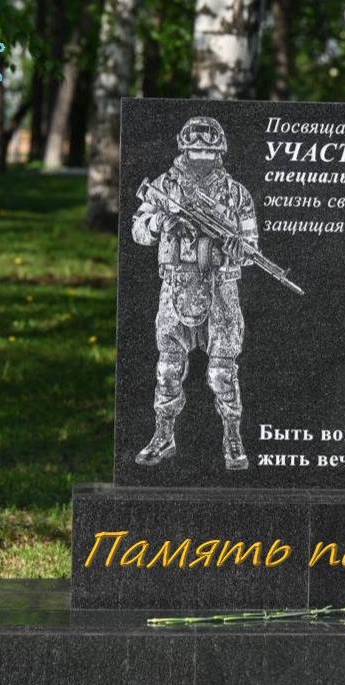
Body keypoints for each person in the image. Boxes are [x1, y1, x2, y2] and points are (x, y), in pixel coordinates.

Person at [129, 116, 257, 471]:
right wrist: (160, 222)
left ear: (219, 153)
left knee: (222, 374)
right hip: (175, 286)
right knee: (168, 368)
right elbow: (139, 230)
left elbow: (251, 249)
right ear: (184, 150)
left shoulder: (236, 194)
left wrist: (237, 249)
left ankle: (232, 437)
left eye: (208, 152)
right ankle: (163, 435)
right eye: (194, 151)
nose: (201, 158)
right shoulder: (164, 186)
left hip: (221, 289)